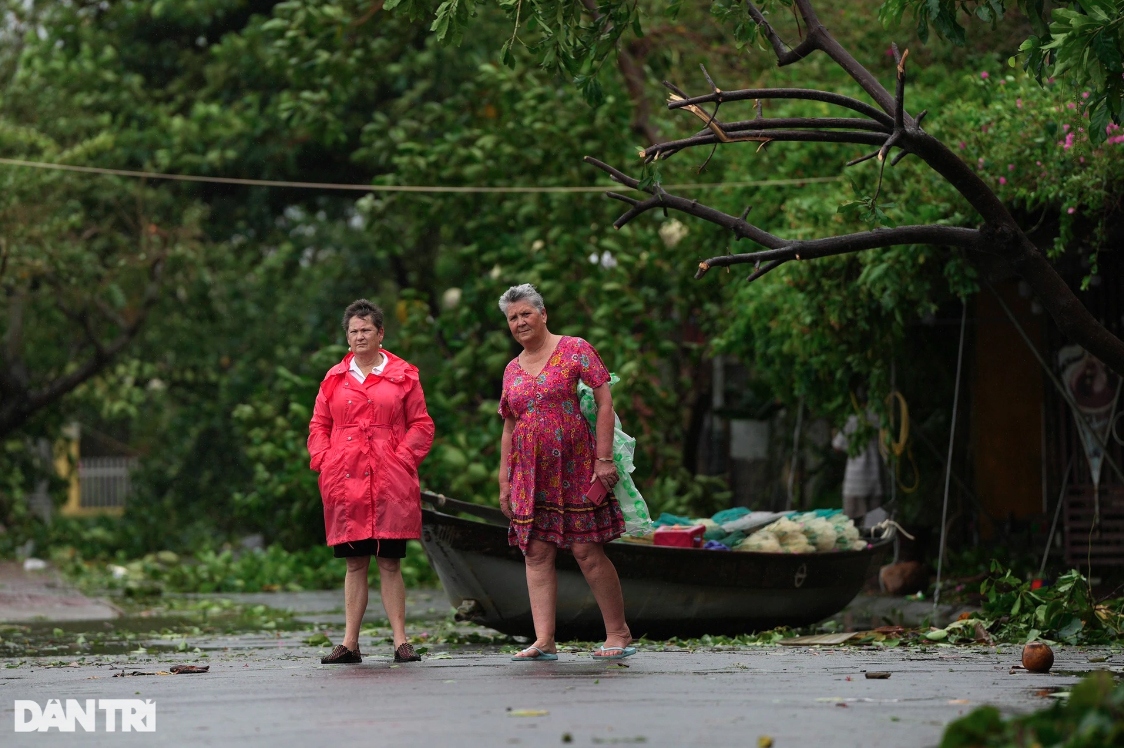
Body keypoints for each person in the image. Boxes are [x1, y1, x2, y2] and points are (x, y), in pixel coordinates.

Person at [496, 283, 634, 661]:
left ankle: (618, 633)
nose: (520, 322)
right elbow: (509, 427)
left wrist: (603, 459)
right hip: (529, 472)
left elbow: (604, 400)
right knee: (536, 552)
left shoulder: (575, 348)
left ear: (543, 314)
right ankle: (544, 641)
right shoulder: (511, 370)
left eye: (526, 313)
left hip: (575, 466)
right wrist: (504, 481)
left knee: (586, 550)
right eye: (513, 318)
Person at [308, 299, 434, 664]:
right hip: (345, 479)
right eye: (353, 331)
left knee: (390, 562)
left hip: (389, 478)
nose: (359, 336)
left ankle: (400, 641)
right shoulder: (334, 379)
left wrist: (402, 459)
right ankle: (349, 643)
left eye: (366, 330)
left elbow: (421, 424)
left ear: (380, 333)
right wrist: (324, 459)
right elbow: (319, 425)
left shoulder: (404, 375)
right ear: (347, 338)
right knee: (354, 563)